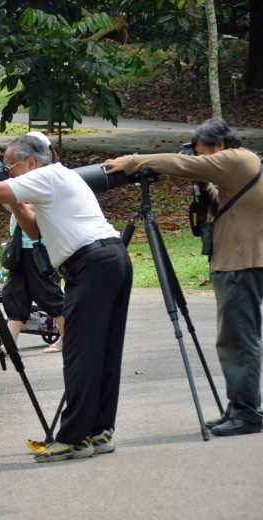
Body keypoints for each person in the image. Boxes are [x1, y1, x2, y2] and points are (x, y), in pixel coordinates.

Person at [0, 134, 132, 462]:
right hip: (111, 258)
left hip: (92, 263)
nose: (8, 172)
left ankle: (74, 438)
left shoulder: (47, 175)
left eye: (11, 166)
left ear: (32, 162)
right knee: (103, 350)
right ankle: (100, 431)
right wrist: (15, 201)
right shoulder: (60, 177)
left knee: (80, 352)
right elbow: (34, 231)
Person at [104, 117, 263, 437]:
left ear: (220, 146)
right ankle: (240, 405)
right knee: (232, 338)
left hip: (240, 265)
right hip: (234, 262)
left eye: (204, 153)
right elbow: (217, 204)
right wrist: (202, 179)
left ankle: (247, 412)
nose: (201, 160)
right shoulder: (233, 167)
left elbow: (180, 163)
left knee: (239, 339)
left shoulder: (237, 159)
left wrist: (133, 162)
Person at [0, 132, 66, 359]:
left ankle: (68, 337)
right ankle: (8, 345)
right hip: (20, 245)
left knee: (46, 292)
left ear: (33, 157)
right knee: (14, 293)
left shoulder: (47, 179)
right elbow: (11, 207)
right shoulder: (24, 180)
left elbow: (33, 213)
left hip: (38, 246)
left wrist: (11, 195)